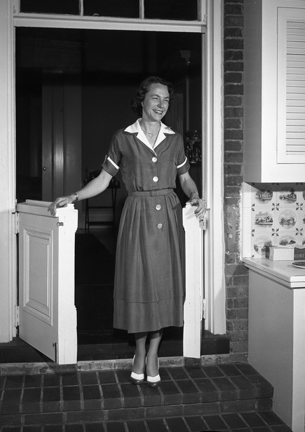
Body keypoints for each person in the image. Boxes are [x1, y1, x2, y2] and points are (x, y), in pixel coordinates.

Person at [48, 76, 206, 387]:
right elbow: (105, 180)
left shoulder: (174, 140)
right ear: (143, 100)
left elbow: (185, 178)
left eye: (166, 101)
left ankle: (153, 353)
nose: (161, 105)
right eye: (155, 98)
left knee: (163, 284)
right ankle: (138, 349)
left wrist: (196, 194)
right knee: (140, 284)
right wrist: (74, 195)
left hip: (169, 215)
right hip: (137, 215)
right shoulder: (123, 138)